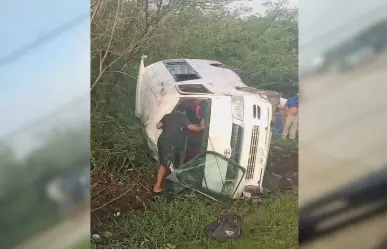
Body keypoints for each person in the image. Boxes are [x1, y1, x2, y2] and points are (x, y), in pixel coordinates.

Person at [153, 105, 206, 194]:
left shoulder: (167, 116)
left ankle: (166, 180)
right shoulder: (183, 117)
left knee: (164, 161)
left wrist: (168, 125)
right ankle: (157, 187)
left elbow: (158, 126)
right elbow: (191, 127)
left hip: (161, 141)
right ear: (183, 111)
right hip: (170, 142)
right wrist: (200, 128)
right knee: (164, 164)